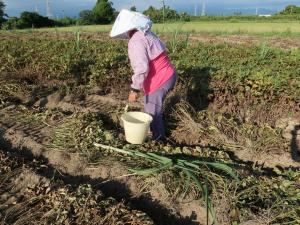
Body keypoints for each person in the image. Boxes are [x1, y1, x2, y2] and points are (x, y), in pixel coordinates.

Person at [110, 9, 176, 140]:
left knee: (152, 112)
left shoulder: (135, 41)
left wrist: (134, 89)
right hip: (168, 74)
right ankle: (153, 132)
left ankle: (159, 140)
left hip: (160, 78)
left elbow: (141, 68)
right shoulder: (147, 33)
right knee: (149, 104)